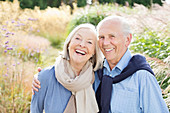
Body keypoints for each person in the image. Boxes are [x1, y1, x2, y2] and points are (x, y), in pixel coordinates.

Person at [32, 16, 169, 113]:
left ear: (127, 40)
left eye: (112, 37)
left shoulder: (141, 77)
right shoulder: (97, 74)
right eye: (101, 37)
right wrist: (41, 77)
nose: (105, 43)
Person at [30, 23, 104, 113]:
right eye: (78, 38)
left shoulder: (98, 78)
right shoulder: (45, 76)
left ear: (94, 52)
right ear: (69, 44)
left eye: (89, 42)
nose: (82, 44)